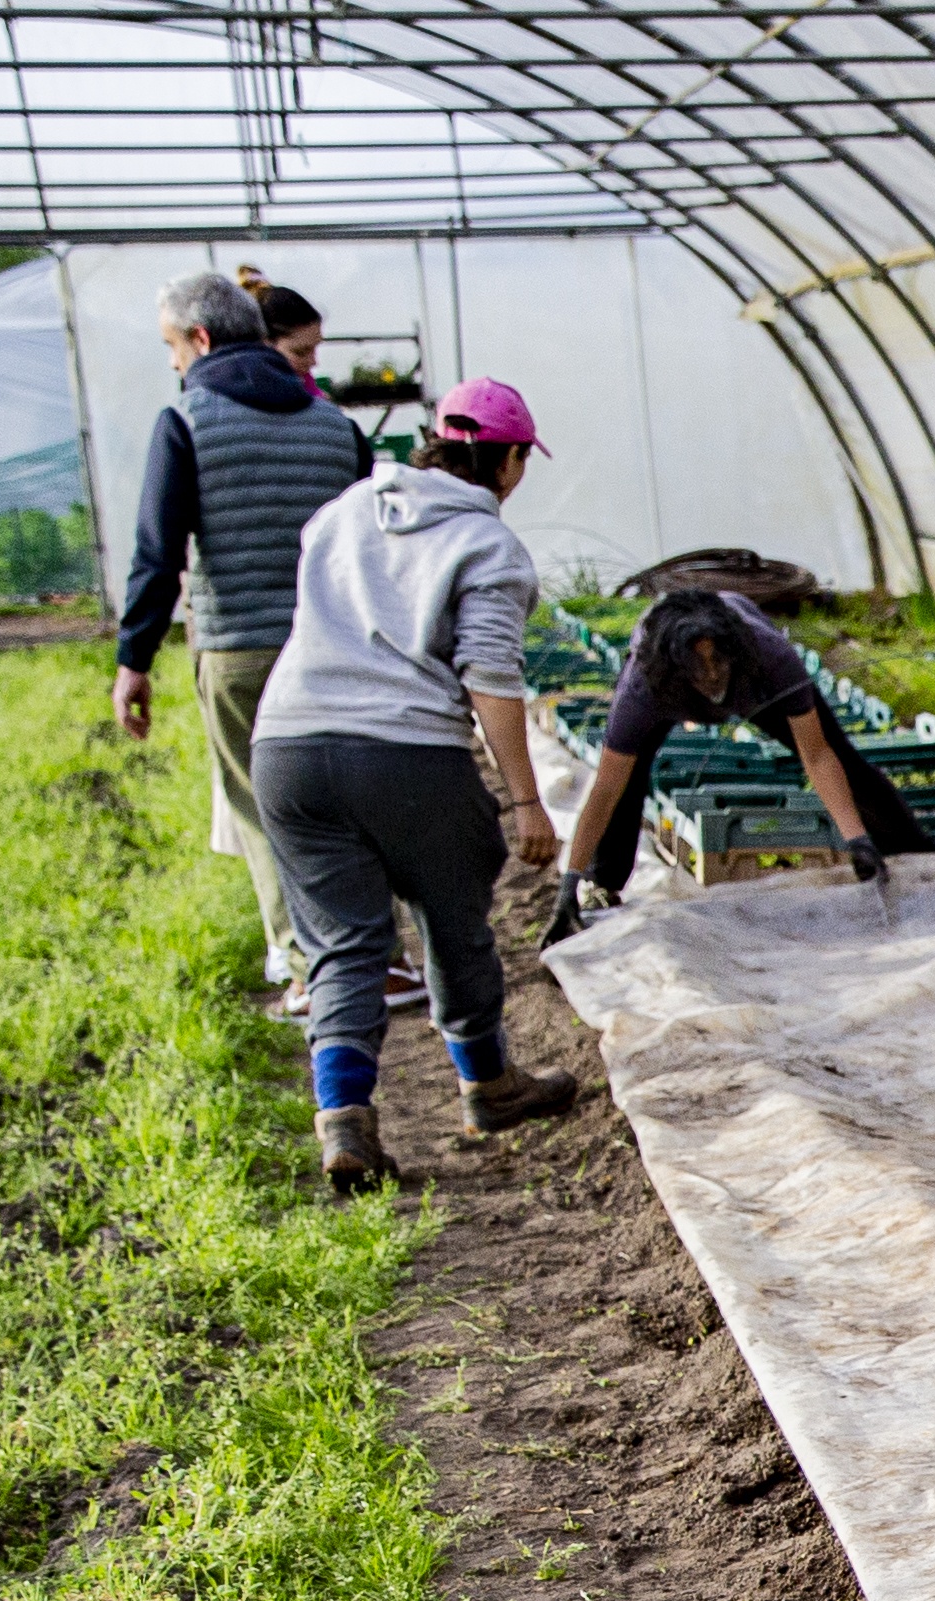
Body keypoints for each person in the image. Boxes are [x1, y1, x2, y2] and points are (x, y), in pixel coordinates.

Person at [250, 379, 584, 1193]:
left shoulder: (342, 512)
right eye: (520, 463)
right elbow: (491, 677)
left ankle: (345, 1122)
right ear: (506, 462)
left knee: (343, 944)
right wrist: (525, 799)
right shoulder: (488, 546)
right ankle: (488, 1084)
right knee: (453, 912)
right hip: (404, 753)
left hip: (288, 746)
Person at [105, 271, 370, 993]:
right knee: (342, 804)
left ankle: (312, 968)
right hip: (334, 650)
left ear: (199, 338)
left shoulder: (186, 423)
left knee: (264, 812)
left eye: (170, 345)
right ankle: (370, 951)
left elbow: (158, 558)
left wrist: (134, 661)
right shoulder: (337, 429)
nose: (170, 363)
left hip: (239, 655)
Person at [551, 588, 928, 922]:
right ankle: (601, 882)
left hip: (755, 690)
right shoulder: (645, 687)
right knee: (627, 782)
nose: (712, 675)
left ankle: (911, 854)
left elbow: (817, 755)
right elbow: (605, 786)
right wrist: (569, 881)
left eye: (719, 661)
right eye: (700, 667)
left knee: (846, 761)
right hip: (672, 695)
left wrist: (856, 838)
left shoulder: (772, 659)